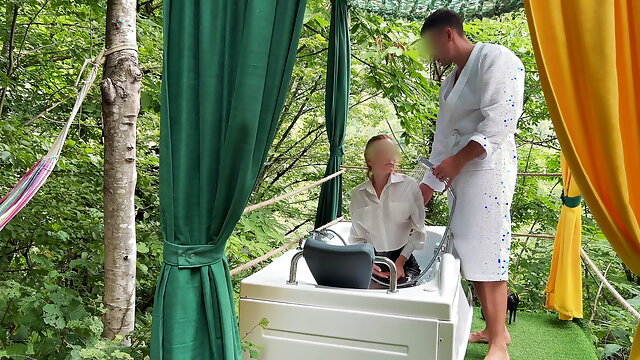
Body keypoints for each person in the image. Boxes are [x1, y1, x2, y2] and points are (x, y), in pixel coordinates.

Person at [419, 9, 524, 360]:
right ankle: (498, 329)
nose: (432, 55)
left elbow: (501, 120)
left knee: (488, 249)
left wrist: (458, 161)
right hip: (460, 176)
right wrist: (427, 185)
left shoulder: (496, 59)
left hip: (488, 172)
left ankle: (499, 345)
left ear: (448, 34)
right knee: (466, 250)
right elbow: (442, 142)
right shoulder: (451, 81)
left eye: (432, 45)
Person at [348, 134, 426, 285]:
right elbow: (357, 238)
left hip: (404, 261)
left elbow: (419, 230)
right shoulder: (358, 194)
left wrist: (401, 262)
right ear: (369, 159)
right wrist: (368, 262)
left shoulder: (409, 185)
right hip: (372, 262)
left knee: (403, 301)